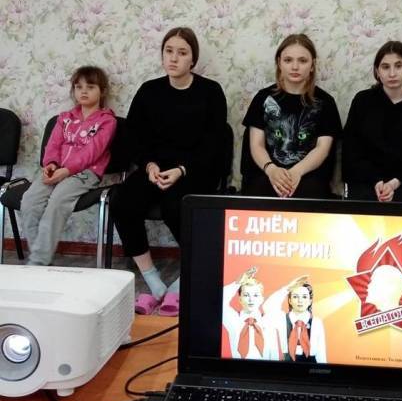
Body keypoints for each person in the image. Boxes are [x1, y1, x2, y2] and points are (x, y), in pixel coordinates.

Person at [111, 26, 227, 315]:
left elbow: (214, 143)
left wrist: (182, 170)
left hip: (195, 170)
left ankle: (186, 277)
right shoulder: (149, 91)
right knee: (122, 201)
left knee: (176, 206)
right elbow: (134, 138)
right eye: (169, 51)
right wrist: (149, 165)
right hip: (155, 168)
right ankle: (153, 281)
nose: (174, 58)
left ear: (193, 59)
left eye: (182, 53)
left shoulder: (210, 92)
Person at [20, 66, 116, 266]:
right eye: (78, 87)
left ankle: (37, 262)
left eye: (90, 87)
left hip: (85, 174)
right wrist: (51, 164)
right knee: (29, 200)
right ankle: (42, 258)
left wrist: (67, 171)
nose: (83, 91)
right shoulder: (64, 119)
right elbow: (53, 145)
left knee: (57, 201)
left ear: (102, 91)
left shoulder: (107, 121)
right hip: (57, 170)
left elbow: (91, 153)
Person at [242, 34, 341, 198]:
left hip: (308, 176)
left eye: (302, 61)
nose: (295, 67)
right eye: (288, 60)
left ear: (312, 65)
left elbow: (323, 149)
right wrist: (271, 170)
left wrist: (296, 172)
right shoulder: (263, 98)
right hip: (267, 172)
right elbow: (256, 144)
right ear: (279, 63)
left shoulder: (325, 102)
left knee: (310, 192)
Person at [342, 41, 402, 202]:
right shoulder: (362, 101)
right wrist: (376, 181)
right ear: (377, 71)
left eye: (398, 66)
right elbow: (352, 149)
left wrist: (394, 183)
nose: (392, 73)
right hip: (365, 181)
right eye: (385, 67)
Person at [222, 270, 280, 360]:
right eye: (246, 295)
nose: (251, 299)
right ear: (240, 299)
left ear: (262, 299)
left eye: (255, 295)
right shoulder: (233, 319)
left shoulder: (268, 321)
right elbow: (220, 299)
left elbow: (274, 355)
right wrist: (238, 282)